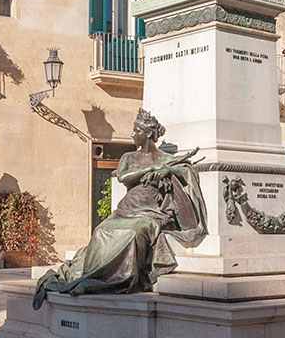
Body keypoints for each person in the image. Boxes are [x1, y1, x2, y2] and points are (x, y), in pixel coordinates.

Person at [33, 109, 205, 308]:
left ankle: (115, 281)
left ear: (148, 134)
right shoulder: (128, 158)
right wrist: (151, 170)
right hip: (127, 209)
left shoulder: (164, 159)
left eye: (136, 130)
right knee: (101, 231)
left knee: (133, 233)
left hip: (150, 212)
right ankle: (92, 276)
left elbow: (186, 171)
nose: (132, 135)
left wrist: (167, 170)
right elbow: (124, 177)